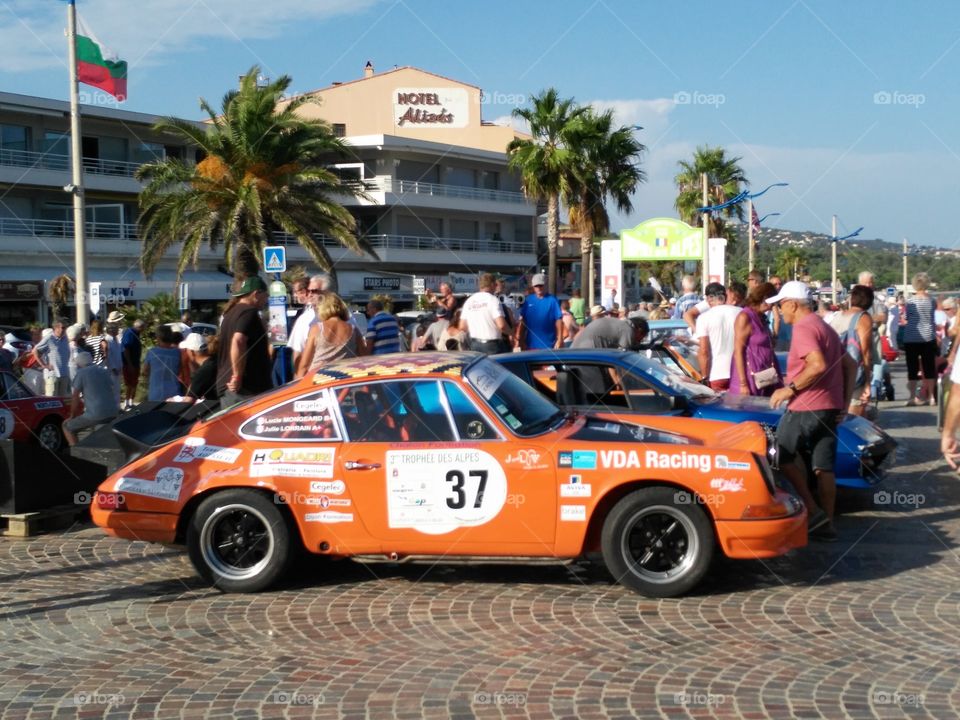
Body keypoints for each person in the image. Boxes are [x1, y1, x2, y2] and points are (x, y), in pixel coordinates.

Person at [768, 281, 855, 542]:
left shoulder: (803, 328)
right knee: (824, 468)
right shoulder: (824, 327)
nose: (779, 312)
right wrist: (844, 403)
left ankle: (812, 511)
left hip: (806, 406)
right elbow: (851, 365)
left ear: (793, 304)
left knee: (780, 456)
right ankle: (826, 524)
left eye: (781, 305)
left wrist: (789, 390)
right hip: (829, 407)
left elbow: (816, 366)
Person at [217, 276, 272, 407]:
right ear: (256, 293)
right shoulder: (249, 312)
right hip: (245, 388)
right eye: (266, 295)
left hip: (229, 385)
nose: (266, 300)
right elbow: (238, 341)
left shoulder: (230, 314)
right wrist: (237, 376)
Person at [828, 285, 875, 416]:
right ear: (869, 301)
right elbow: (865, 352)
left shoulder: (836, 317)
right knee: (853, 419)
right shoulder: (863, 318)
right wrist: (867, 382)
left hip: (835, 375)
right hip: (853, 376)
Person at [730, 282, 783, 397]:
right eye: (773, 302)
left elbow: (770, 343)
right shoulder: (745, 317)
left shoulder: (762, 317)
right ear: (764, 299)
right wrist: (743, 383)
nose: (774, 305)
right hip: (750, 377)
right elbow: (738, 351)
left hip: (766, 376)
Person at [299, 293, 367, 376]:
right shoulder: (353, 329)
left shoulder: (316, 329)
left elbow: (304, 365)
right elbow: (365, 358)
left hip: (318, 380)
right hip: (343, 380)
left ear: (323, 308)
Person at [62, 352, 117, 447]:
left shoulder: (81, 373)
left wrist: (72, 415)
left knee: (67, 426)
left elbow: (75, 397)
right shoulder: (103, 370)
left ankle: (76, 452)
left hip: (96, 414)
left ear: (80, 364)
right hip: (113, 411)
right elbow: (111, 388)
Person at [694, 282, 742, 392]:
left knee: (719, 407)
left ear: (709, 299)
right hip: (739, 372)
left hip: (717, 373)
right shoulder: (741, 313)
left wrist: (704, 377)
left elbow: (704, 351)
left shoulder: (704, 318)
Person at [901, 272, 938, 406]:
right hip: (928, 336)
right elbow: (931, 317)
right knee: (929, 368)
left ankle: (911, 397)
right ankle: (931, 397)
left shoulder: (910, 301)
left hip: (911, 337)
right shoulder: (932, 300)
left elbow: (907, 318)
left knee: (912, 368)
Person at [459, 273, 508, 354]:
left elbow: (462, 326)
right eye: (495, 285)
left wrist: (476, 329)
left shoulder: (469, 301)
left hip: (474, 344)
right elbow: (502, 326)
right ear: (492, 285)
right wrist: (512, 333)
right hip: (492, 345)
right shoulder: (493, 300)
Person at [288, 274, 325, 375]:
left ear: (305, 291)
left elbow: (298, 355)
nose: (295, 295)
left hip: (313, 377)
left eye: (296, 292)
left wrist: (297, 380)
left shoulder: (305, 319)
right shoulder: (347, 314)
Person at [519, 274, 562, 350]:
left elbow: (558, 320)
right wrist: (521, 339)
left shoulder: (553, 300)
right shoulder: (528, 300)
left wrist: (560, 339)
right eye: (536, 286)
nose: (539, 288)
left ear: (545, 285)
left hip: (549, 345)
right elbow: (523, 321)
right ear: (533, 287)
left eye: (541, 285)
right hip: (530, 345)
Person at [572, 309, 648, 350]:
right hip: (587, 353)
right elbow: (623, 355)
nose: (639, 341)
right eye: (640, 339)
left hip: (578, 350)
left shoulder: (620, 324)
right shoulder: (627, 330)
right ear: (639, 330)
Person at [143, 325, 182, 402]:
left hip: (156, 392)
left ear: (158, 337)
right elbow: (180, 370)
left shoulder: (152, 352)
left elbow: (145, 371)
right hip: (174, 393)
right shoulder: (177, 353)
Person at [34, 319, 71, 397]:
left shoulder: (65, 338)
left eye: (65, 327)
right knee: (52, 399)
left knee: (63, 400)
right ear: (56, 328)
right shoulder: (49, 338)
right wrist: (44, 365)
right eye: (63, 327)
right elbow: (35, 350)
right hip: (53, 374)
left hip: (64, 374)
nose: (65, 330)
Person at [181, 333, 219, 402]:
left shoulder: (204, 371)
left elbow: (188, 401)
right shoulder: (216, 360)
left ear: (191, 352)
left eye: (186, 350)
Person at [121, 319, 144, 408]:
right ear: (140, 327)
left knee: (134, 382)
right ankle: (127, 402)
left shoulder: (136, 333)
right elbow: (126, 348)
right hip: (129, 363)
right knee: (129, 383)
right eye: (143, 328)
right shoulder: (130, 333)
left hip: (135, 361)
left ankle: (131, 401)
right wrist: (129, 364)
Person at [104, 313, 125, 409]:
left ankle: (117, 408)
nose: (118, 330)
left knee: (117, 390)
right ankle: (113, 409)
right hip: (112, 369)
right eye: (116, 329)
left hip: (118, 367)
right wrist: (113, 367)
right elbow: (109, 356)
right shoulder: (108, 340)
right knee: (113, 390)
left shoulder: (115, 339)